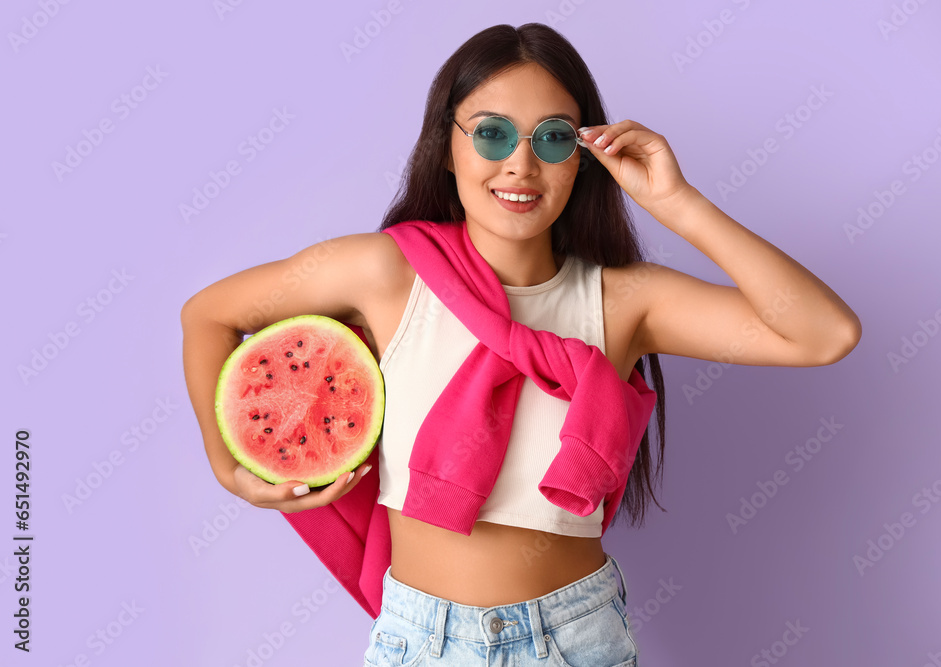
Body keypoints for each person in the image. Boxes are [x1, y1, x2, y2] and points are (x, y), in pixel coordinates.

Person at [181, 22, 861, 666]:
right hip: (421, 638)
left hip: (574, 637)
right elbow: (207, 314)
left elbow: (823, 333)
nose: (521, 164)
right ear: (445, 146)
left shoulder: (624, 302)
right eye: (493, 134)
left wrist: (677, 203)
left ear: (584, 158)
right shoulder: (385, 273)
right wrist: (227, 465)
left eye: (554, 139)